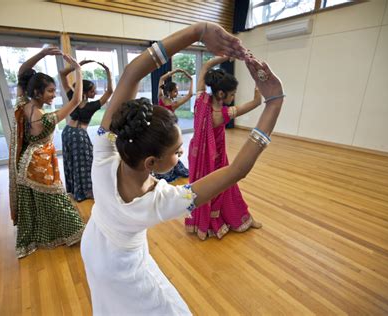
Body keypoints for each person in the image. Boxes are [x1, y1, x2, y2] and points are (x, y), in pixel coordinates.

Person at [80, 21, 284, 315]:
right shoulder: (157, 202)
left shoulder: (104, 153)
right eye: (176, 152)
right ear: (151, 162)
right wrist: (274, 103)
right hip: (122, 268)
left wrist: (197, 32)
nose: (181, 155)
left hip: (93, 246)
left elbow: (132, 72)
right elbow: (236, 171)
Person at [8, 47, 85, 258]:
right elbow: (76, 101)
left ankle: (40, 236)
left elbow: (22, 72)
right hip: (38, 165)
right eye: (50, 91)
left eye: (53, 90)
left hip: (26, 161)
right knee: (58, 199)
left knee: (36, 203)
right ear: (37, 92)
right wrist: (78, 70)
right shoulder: (44, 118)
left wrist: (42, 54)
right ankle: (76, 233)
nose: (53, 94)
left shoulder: (23, 104)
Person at [185, 57, 263, 240]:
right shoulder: (221, 114)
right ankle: (240, 219)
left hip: (197, 156)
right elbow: (253, 105)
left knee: (204, 188)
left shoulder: (200, 100)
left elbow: (205, 66)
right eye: (232, 93)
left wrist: (225, 56)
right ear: (221, 94)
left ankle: (206, 223)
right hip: (215, 158)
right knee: (225, 189)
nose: (234, 97)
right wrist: (258, 96)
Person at [59, 60, 113, 201]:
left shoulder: (73, 96)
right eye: (93, 90)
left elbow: (62, 74)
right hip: (78, 135)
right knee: (86, 164)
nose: (95, 92)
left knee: (71, 161)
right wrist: (107, 71)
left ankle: (74, 189)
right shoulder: (92, 105)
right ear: (87, 92)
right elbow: (110, 92)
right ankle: (86, 192)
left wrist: (78, 65)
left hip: (67, 132)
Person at [153, 68, 193, 182]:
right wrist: (190, 80)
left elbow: (161, 78)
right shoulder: (174, 104)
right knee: (169, 151)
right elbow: (190, 94)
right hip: (167, 131)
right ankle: (167, 170)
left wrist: (173, 72)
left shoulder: (160, 97)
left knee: (163, 151)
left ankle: (163, 169)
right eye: (176, 91)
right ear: (169, 92)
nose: (177, 93)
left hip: (159, 130)